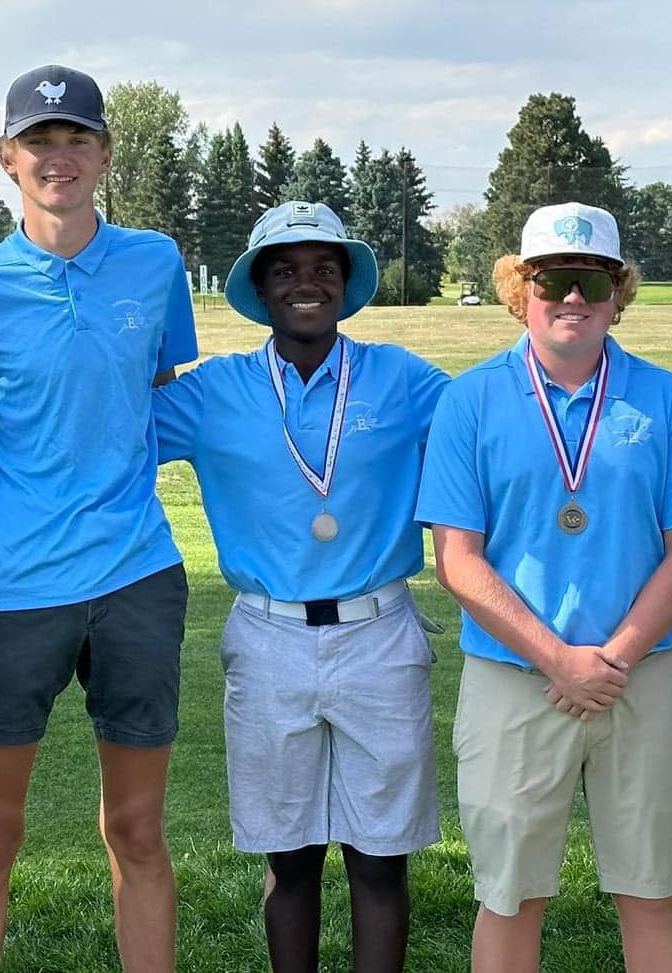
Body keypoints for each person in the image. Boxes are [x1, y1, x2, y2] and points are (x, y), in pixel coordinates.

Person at [0, 65, 198, 973]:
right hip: (14, 588)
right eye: (39, 141)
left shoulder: (157, 264)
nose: (59, 157)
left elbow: (155, 387)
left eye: (77, 138)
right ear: (7, 159)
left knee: (137, 829)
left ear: (106, 154)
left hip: (136, 575)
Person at [417, 203, 672, 973]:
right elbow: (457, 557)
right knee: (510, 896)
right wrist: (558, 659)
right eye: (552, 279)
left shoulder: (666, 398)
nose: (572, 298)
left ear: (619, 291)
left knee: (652, 893)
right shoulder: (469, 400)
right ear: (520, 288)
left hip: (640, 676)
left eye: (590, 280)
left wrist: (608, 658)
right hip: (515, 679)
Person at [152, 202, 449, 972]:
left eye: (323, 267)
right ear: (260, 286)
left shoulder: (404, 379)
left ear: (346, 284)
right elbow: (111, 427)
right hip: (268, 635)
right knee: (289, 859)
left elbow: (495, 432)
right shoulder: (215, 391)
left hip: (380, 631)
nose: (305, 283)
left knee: (380, 857)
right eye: (285, 269)